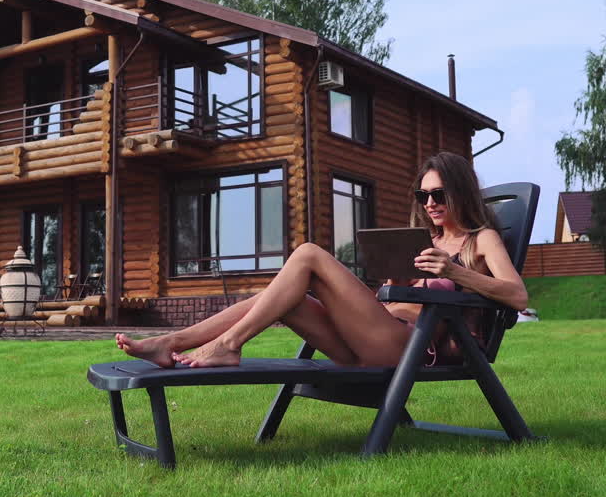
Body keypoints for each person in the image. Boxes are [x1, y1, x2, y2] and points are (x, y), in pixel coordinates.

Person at [115, 152, 529, 369]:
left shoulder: (482, 240)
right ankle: (170, 343)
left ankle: (226, 345)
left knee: (308, 254)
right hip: (371, 339)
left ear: (461, 193)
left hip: (409, 349)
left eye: (439, 194)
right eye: (424, 196)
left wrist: (454, 271)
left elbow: (516, 294)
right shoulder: (425, 241)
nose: (431, 203)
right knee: (279, 297)